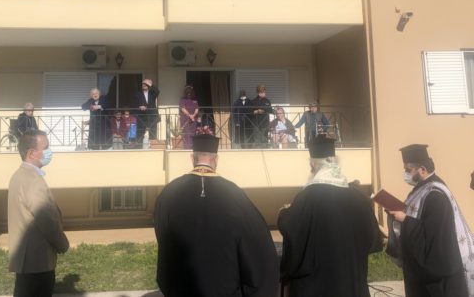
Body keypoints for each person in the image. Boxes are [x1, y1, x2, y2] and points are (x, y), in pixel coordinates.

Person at [154, 134, 279, 297]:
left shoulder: (169, 193)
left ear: (192, 158)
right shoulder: (234, 194)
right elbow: (256, 241)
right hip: (223, 287)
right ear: (216, 159)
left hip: (182, 286)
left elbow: (163, 237)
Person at [278, 140, 382, 297]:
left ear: (313, 165)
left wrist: (283, 213)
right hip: (350, 282)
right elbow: (372, 239)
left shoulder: (307, 197)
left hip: (317, 285)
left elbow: (292, 228)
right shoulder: (358, 197)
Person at [386, 144, 474, 297]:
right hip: (423, 276)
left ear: (422, 170)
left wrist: (405, 220)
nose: (405, 174)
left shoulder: (435, 194)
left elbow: (437, 239)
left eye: (408, 170)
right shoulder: (421, 189)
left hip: (438, 282)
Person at [8, 130, 69, 297]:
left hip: (25, 260)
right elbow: (46, 219)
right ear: (32, 153)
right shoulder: (33, 180)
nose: (49, 152)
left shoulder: (18, 176)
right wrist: (62, 243)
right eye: (46, 147)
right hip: (38, 261)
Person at [134, 78, 160, 145]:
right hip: (142, 117)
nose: (144, 85)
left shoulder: (152, 93)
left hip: (152, 116)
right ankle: (138, 148)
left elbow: (157, 91)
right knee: (140, 134)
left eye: (145, 84)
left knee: (153, 133)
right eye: (143, 84)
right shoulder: (138, 94)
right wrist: (139, 107)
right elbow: (134, 104)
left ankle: (153, 147)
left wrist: (150, 84)